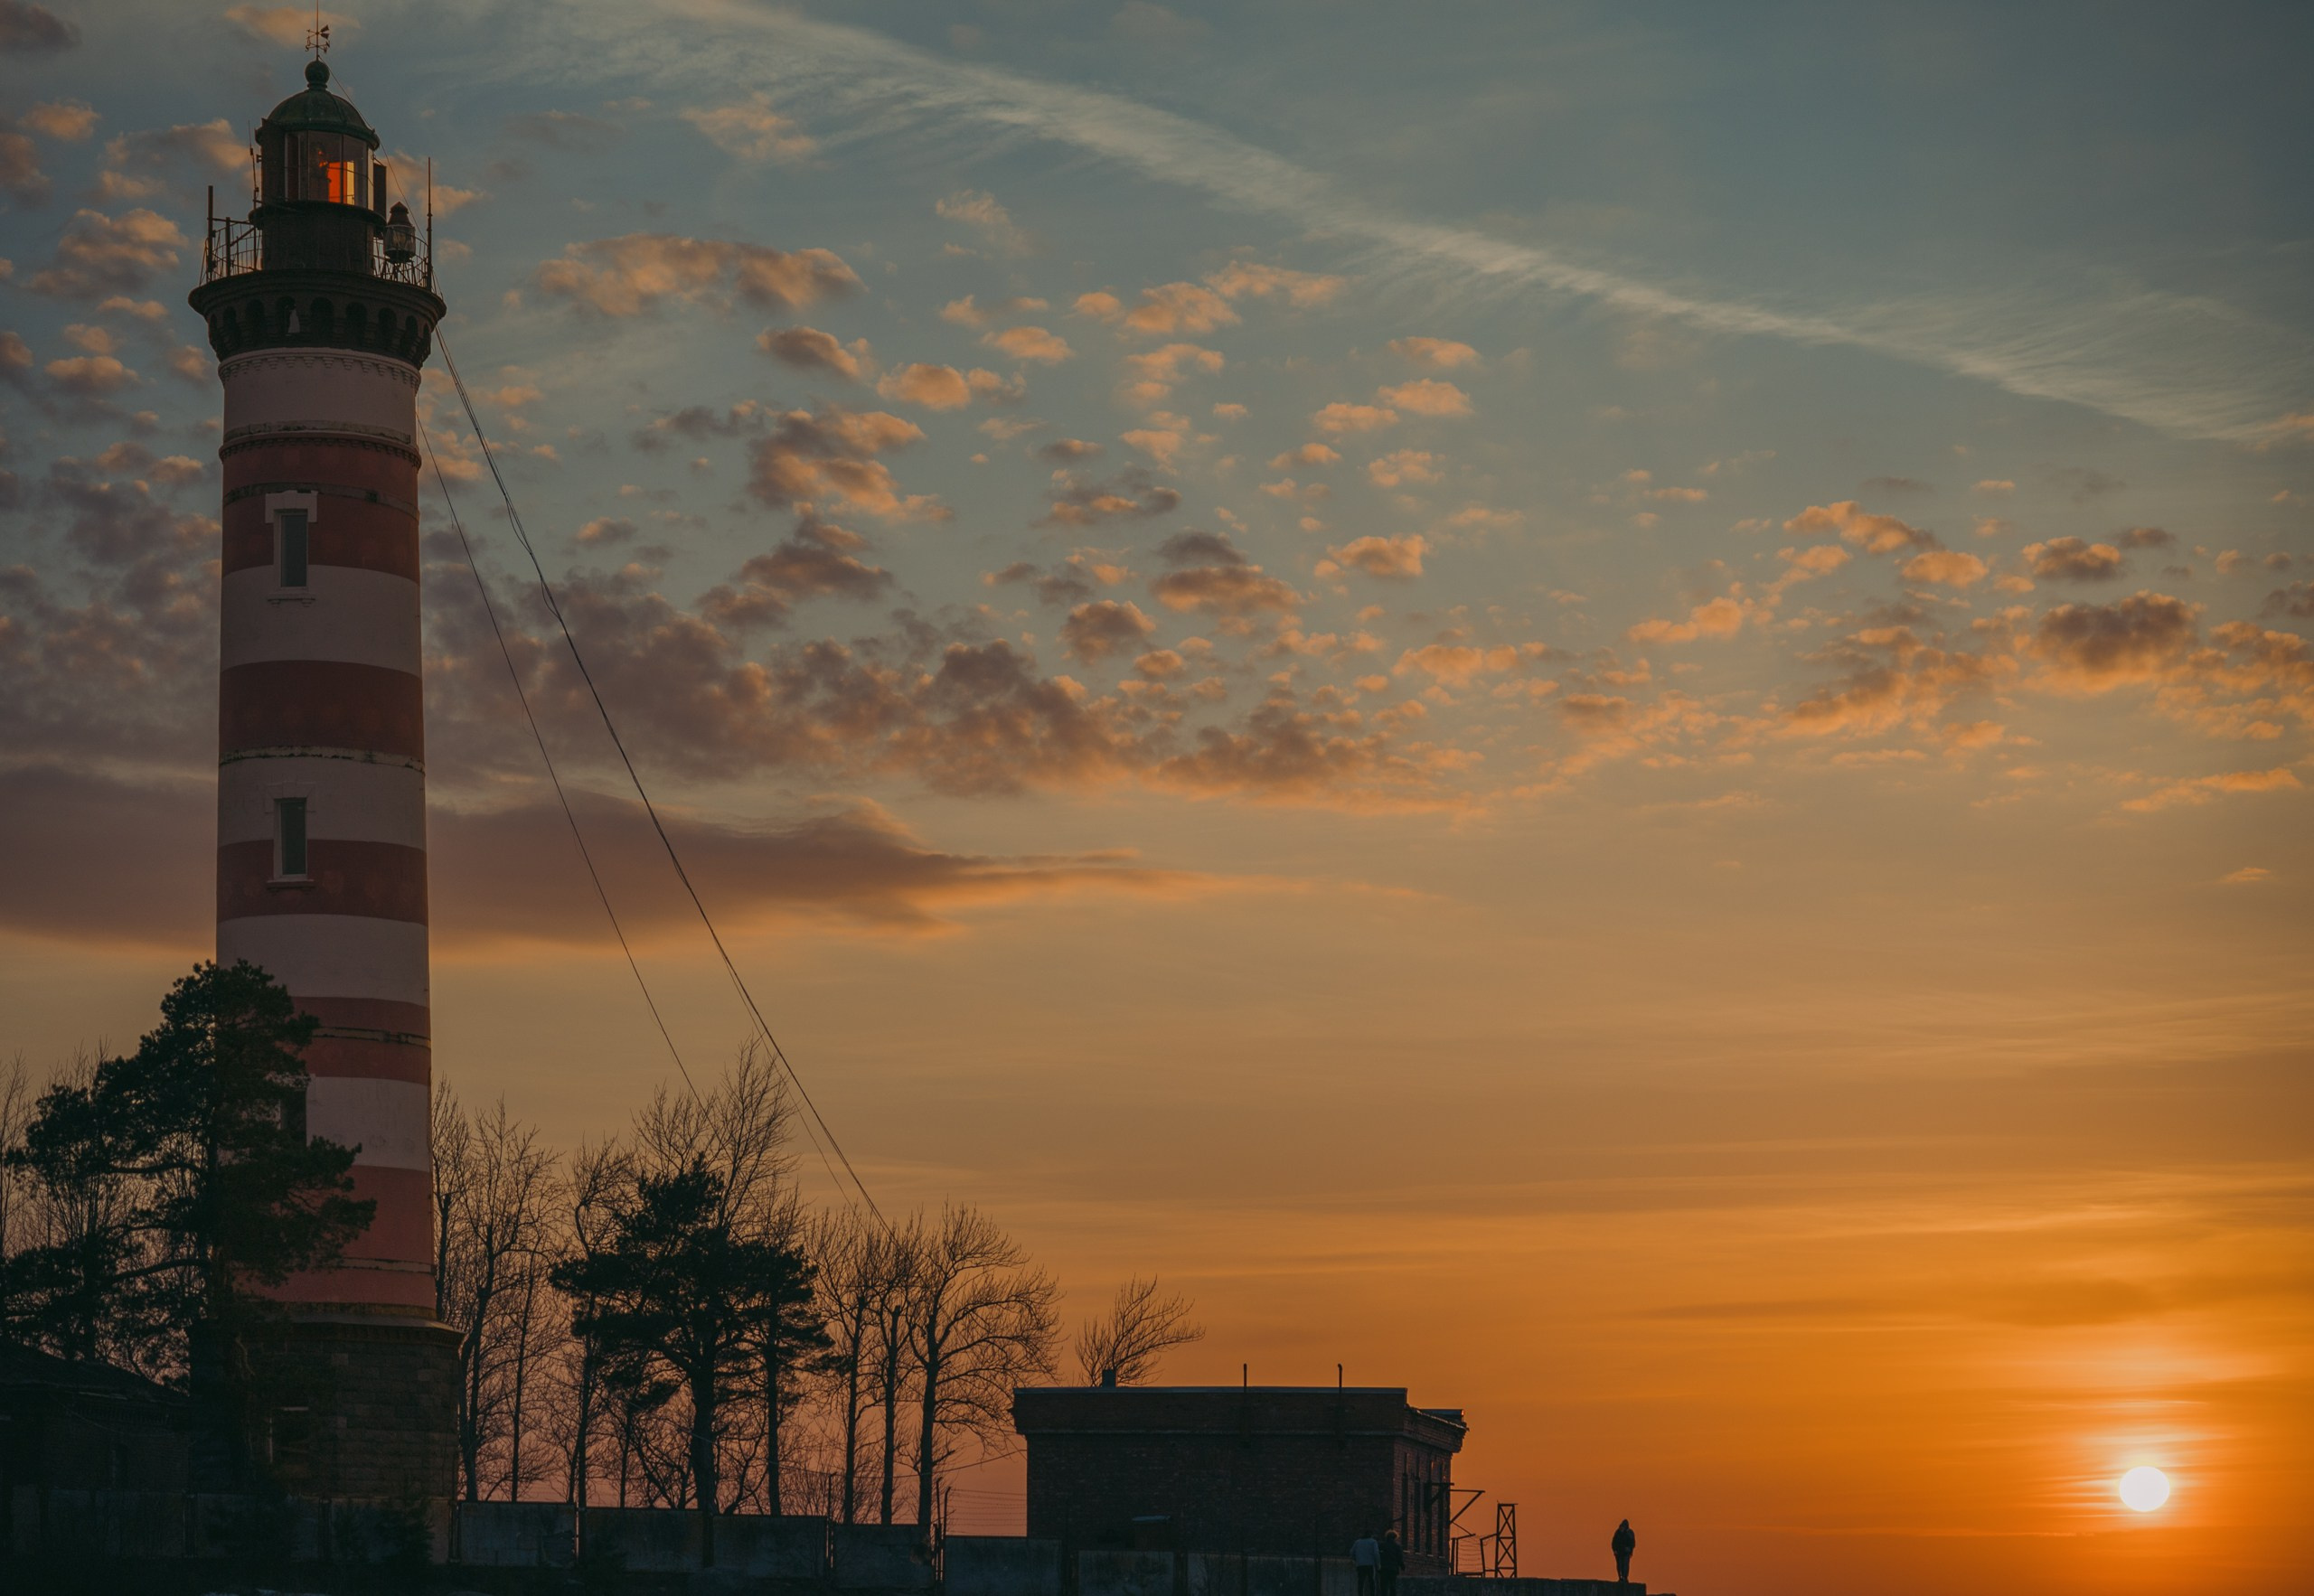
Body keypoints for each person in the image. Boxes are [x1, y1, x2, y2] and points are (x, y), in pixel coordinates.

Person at [1350, 1530, 1380, 1596]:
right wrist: (1378, 1564)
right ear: (1371, 1535)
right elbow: (1376, 1553)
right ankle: (1372, 1594)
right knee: (1371, 1581)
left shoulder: (1357, 1542)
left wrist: (1356, 1560)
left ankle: (1360, 1594)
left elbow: (1352, 1552)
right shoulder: (1373, 1542)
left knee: (1361, 1582)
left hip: (1360, 1564)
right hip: (1370, 1564)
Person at [1378, 1529, 1406, 1596]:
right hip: (1393, 1568)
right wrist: (1402, 1565)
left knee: (1384, 1585)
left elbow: (1378, 1555)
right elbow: (1399, 1558)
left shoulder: (1382, 1545)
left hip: (1384, 1568)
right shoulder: (1397, 1546)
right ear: (1395, 1537)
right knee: (1392, 1585)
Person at [1611, 1519, 1636, 1584]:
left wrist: (1630, 1550)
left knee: (1625, 1565)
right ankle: (1620, 1577)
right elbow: (1614, 1542)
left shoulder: (1629, 1533)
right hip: (1619, 1552)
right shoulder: (1618, 1532)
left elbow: (1632, 1543)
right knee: (1620, 1565)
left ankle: (1625, 1578)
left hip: (1625, 1553)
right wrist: (1615, 1550)